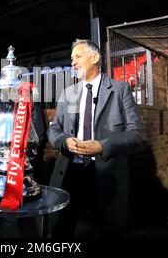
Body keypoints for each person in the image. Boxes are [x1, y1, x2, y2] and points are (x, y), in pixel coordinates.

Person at [48, 39, 143, 237]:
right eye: (71, 58)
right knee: (62, 228)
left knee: (107, 229)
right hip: (71, 171)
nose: (73, 62)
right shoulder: (69, 93)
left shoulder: (119, 89)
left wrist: (102, 146)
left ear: (95, 57)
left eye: (78, 57)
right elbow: (54, 130)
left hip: (107, 172)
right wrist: (64, 141)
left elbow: (135, 134)